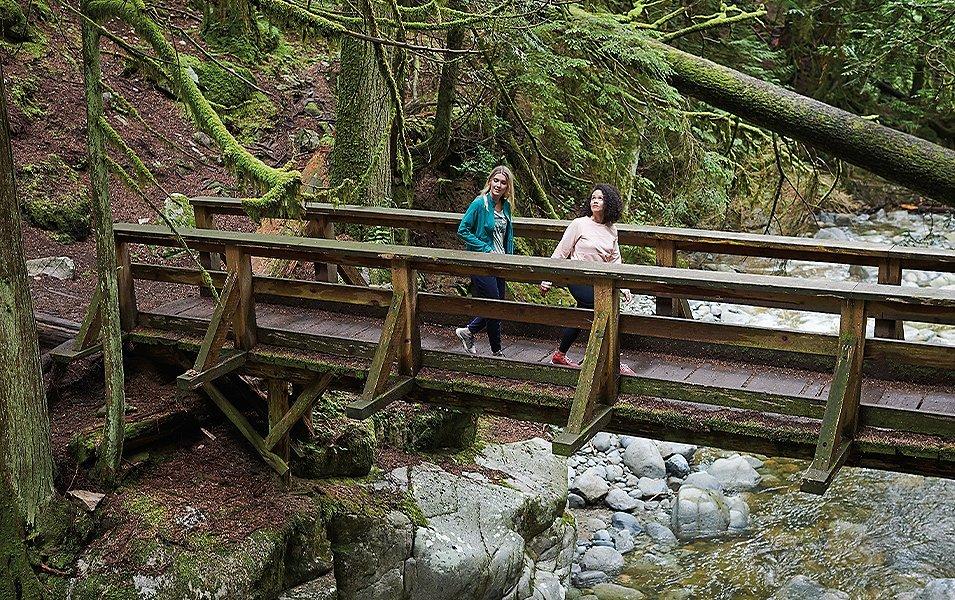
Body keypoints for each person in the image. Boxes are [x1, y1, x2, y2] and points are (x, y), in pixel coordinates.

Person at [540, 184, 636, 375]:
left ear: (608, 203)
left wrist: (624, 287)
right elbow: (561, 252)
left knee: (583, 313)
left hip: (600, 280)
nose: (595, 201)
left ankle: (560, 354)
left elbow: (615, 260)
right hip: (578, 279)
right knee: (604, 308)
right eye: (593, 198)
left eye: (599, 198)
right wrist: (547, 279)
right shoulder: (579, 224)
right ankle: (610, 360)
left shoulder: (612, 229)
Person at [454, 166, 516, 356]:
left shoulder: (505, 206)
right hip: (482, 262)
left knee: (496, 306)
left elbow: (508, 235)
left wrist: (509, 258)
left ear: (508, 187)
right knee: (495, 305)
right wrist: (484, 248)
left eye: (503, 182)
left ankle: (479, 339)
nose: (498, 185)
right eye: (495, 180)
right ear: (490, 181)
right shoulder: (479, 203)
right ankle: (483, 341)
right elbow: (463, 230)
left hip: (500, 262)